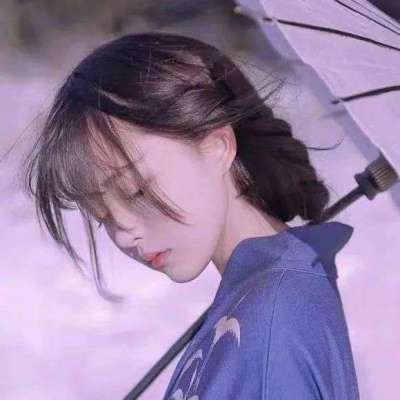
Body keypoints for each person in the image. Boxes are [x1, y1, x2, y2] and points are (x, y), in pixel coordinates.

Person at [20, 32, 360, 399]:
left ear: (217, 147)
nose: (123, 233)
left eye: (136, 190)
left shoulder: (276, 315)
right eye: (102, 215)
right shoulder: (255, 299)